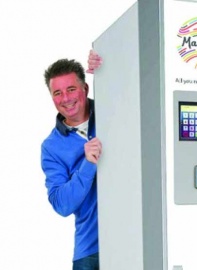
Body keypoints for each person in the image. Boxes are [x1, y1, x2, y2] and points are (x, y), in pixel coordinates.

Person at [41, 57, 102, 270]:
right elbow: (62, 204)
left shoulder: (112, 113)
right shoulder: (52, 146)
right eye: (57, 93)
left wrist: (108, 63)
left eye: (71, 89)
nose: (65, 98)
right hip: (91, 251)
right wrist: (87, 164)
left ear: (84, 88)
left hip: (135, 232)